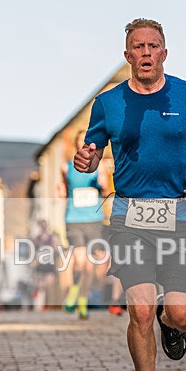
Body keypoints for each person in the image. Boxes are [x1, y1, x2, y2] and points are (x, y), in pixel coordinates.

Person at [74, 19, 186, 371]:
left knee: (184, 314)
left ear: (164, 53)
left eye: (154, 46)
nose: (147, 52)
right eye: (139, 47)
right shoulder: (108, 103)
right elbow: (92, 150)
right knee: (139, 309)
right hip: (129, 218)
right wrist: (86, 161)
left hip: (178, 215)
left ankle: (170, 324)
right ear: (128, 55)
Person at [58, 130, 109, 320]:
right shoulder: (66, 167)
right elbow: (63, 187)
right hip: (73, 218)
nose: (84, 147)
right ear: (76, 146)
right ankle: (73, 290)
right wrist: (61, 191)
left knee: (89, 266)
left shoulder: (100, 166)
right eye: (81, 143)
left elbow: (105, 191)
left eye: (87, 144)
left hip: (94, 218)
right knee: (79, 262)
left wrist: (103, 185)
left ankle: (82, 300)